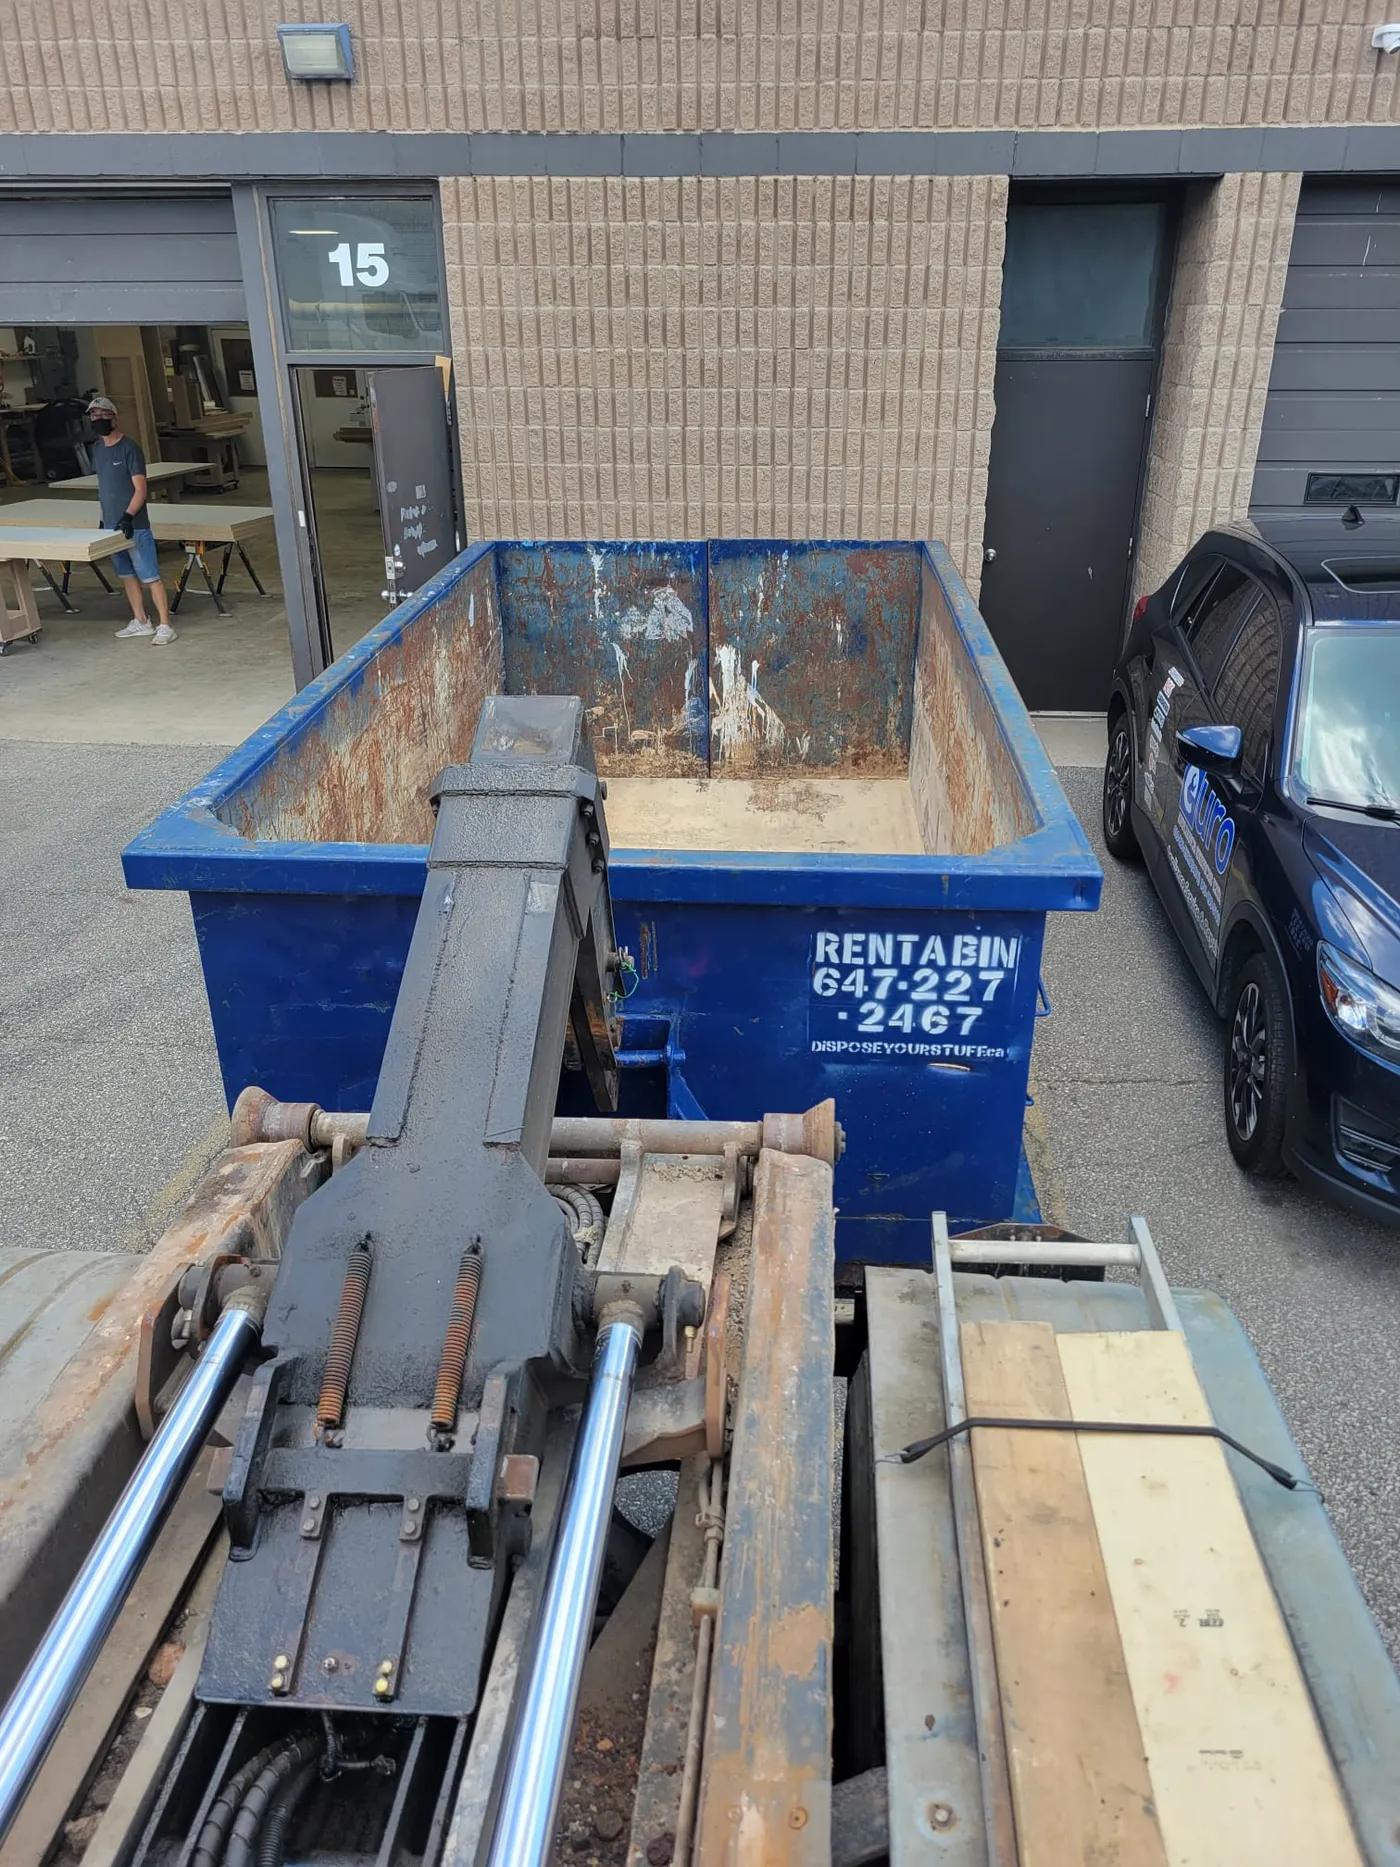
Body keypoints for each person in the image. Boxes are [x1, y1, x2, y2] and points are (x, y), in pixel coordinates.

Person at [86, 395, 177, 645]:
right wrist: (103, 521)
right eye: (94, 416)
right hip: (111, 527)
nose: (99, 419)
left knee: (150, 575)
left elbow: (140, 489)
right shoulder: (96, 449)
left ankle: (165, 624)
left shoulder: (129, 448)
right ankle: (141, 620)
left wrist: (128, 516)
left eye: (104, 415)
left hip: (134, 525)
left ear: (113, 417)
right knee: (126, 574)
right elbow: (104, 488)